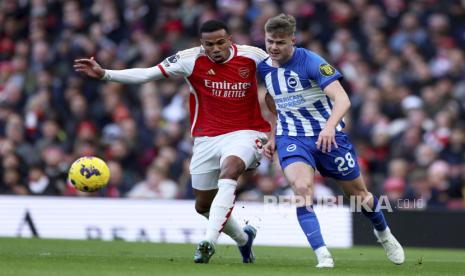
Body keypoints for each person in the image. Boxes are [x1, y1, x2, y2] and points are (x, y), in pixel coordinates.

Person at [74, 20, 270, 264]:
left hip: (247, 132)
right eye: (210, 45)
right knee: (203, 205)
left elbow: (281, 78)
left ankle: (208, 241)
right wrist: (105, 74)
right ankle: (243, 239)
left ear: (230, 39)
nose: (216, 48)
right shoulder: (189, 59)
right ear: (202, 45)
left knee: (230, 169)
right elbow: (146, 74)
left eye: (221, 42)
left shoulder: (254, 56)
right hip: (206, 138)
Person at [258, 14, 405, 268]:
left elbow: (343, 99)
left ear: (293, 40)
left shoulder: (311, 62)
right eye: (270, 41)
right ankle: (322, 254)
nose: (273, 47)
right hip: (291, 137)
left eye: (280, 42)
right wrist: (273, 135)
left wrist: (328, 128)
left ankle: (383, 233)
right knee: (302, 190)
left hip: (329, 137)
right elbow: (273, 102)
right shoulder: (264, 67)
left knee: (359, 195)